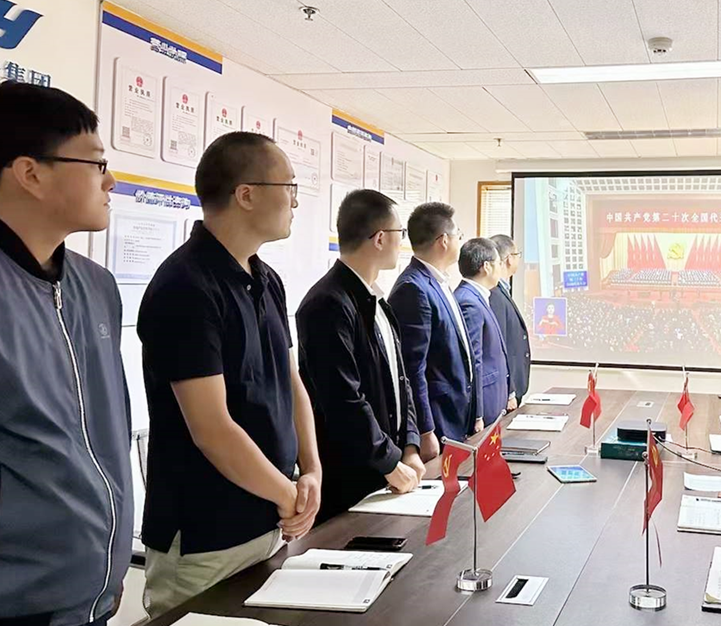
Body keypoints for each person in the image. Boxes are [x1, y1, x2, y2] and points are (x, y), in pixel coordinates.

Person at [137, 132, 322, 617]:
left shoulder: (266, 278)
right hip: (207, 534)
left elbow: (290, 381)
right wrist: (290, 495)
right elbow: (212, 429)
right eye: (289, 186)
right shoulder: (186, 285)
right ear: (246, 194)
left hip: (269, 520)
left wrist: (312, 471)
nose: (295, 201)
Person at [0, 82, 133, 626]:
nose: (111, 181)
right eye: (97, 164)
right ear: (30, 173)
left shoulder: (96, 286)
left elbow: (108, 434)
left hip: (95, 595)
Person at [297, 189, 425, 523]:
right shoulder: (327, 303)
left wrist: (410, 446)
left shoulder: (377, 300)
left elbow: (401, 382)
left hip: (388, 472)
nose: (402, 242)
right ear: (380, 238)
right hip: (351, 479)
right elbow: (343, 399)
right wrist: (389, 461)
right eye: (400, 233)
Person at [388, 202, 474, 452]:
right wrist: (425, 430)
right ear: (444, 240)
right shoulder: (413, 288)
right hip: (437, 422)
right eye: (458, 235)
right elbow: (413, 368)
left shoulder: (439, 282)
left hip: (455, 416)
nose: (460, 240)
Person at [455, 238, 512, 431]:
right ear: (486, 267)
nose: (500, 269)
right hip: (484, 405)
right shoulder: (468, 301)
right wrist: (477, 413)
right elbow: (474, 361)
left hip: (494, 398)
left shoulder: (478, 296)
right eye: (498, 263)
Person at [489, 234, 530, 406]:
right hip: (505, 392)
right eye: (517, 254)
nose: (519, 259)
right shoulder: (494, 293)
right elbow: (499, 346)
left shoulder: (503, 289)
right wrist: (509, 391)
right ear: (509, 259)